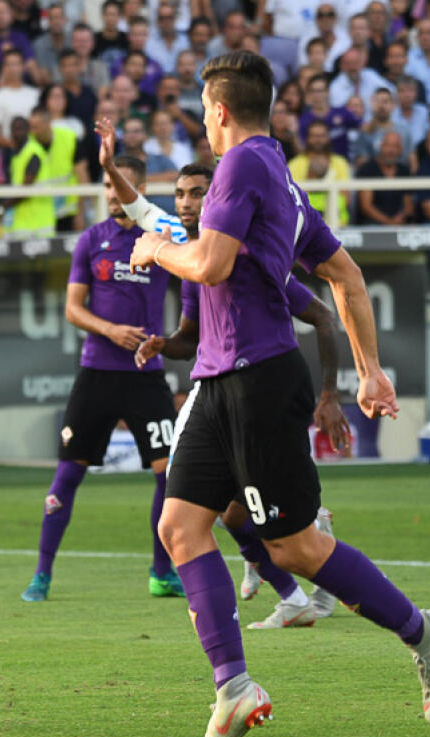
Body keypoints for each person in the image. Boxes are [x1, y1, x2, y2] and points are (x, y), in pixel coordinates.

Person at [128, 51, 430, 737]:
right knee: (179, 524)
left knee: (293, 546)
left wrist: (155, 246)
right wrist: (368, 370)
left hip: (259, 377)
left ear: (222, 111)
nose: (204, 122)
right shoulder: (283, 182)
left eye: (205, 111)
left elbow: (210, 265)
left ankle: (422, 634)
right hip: (219, 379)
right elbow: (344, 275)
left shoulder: (239, 168)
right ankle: (232, 685)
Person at [95, 118, 347, 629]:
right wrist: (166, 344)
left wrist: (331, 392)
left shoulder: (240, 253)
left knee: (252, 524)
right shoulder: (176, 239)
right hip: (218, 386)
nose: (185, 204)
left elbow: (322, 312)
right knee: (220, 517)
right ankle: (288, 594)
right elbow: (143, 212)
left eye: (197, 194)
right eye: (180, 195)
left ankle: (306, 582)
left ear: (220, 199)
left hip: (259, 382)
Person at [19, 149, 182, 603]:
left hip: (147, 374)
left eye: (122, 186)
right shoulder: (92, 240)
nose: (114, 195)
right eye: (109, 186)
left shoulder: (161, 237)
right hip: (98, 373)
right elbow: (73, 308)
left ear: (141, 191)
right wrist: (111, 329)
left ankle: (161, 572)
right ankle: (42, 575)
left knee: (169, 476)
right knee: (67, 476)